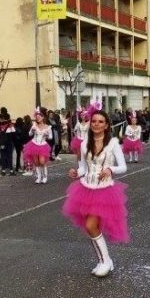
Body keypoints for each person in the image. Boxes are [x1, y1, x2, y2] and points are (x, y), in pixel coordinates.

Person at [62, 108, 128, 277]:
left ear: (106, 125)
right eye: (94, 121)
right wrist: (76, 173)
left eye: (100, 122)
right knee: (90, 227)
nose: (96, 124)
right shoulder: (84, 144)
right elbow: (83, 168)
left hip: (104, 191)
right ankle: (103, 261)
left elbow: (123, 167)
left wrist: (110, 169)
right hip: (86, 189)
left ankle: (106, 261)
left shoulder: (113, 143)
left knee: (91, 226)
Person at [23, 108, 52, 184]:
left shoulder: (48, 127)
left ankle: (45, 176)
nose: (37, 118)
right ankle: (39, 177)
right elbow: (30, 134)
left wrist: (47, 134)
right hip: (34, 145)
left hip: (43, 146)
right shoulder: (34, 125)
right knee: (36, 162)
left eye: (39, 117)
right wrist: (32, 131)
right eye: (36, 117)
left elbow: (50, 137)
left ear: (43, 117)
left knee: (42, 162)